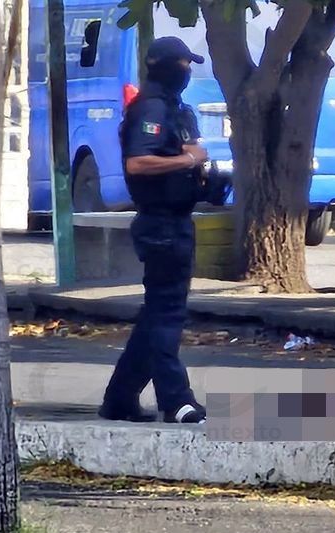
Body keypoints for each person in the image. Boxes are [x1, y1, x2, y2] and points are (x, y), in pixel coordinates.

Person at [98, 37, 210, 424]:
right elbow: (138, 163)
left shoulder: (174, 109)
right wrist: (188, 159)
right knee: (166, 317)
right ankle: (176, 401)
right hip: (160, 222)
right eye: (184, 63)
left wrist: (197, 166)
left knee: (156, 317)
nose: (188, 71)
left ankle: (120, 399)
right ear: (166, 66)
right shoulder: (150, 107)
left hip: (176, 220)